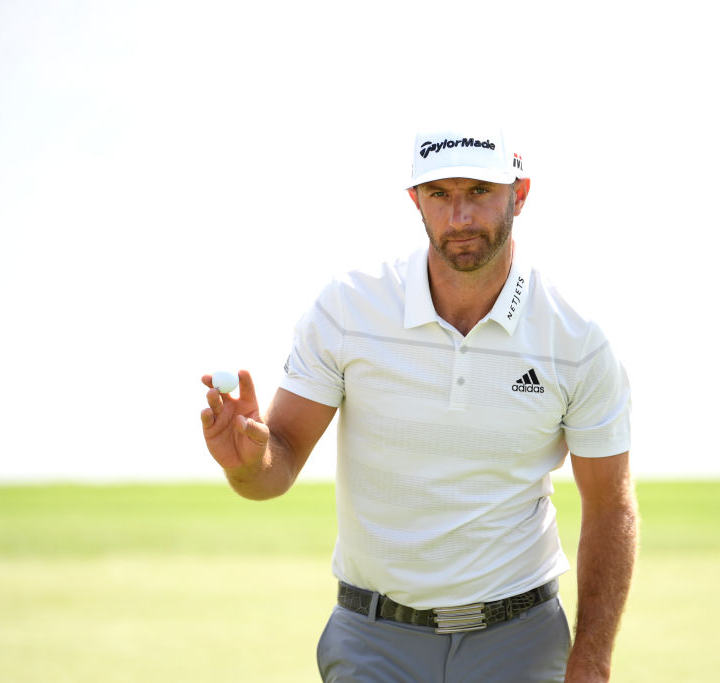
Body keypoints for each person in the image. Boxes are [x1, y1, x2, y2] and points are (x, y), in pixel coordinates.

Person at [199, 125, 637, 682]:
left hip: (520, 641)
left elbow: (610, 508)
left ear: (519, 195)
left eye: (480, 191)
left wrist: (592, 663)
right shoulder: (347, 310)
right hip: (373, 639)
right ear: (415, 201)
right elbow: (273, 470)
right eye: (439, 194)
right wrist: (244, 463)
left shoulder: (575, 340)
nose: (459, 217)